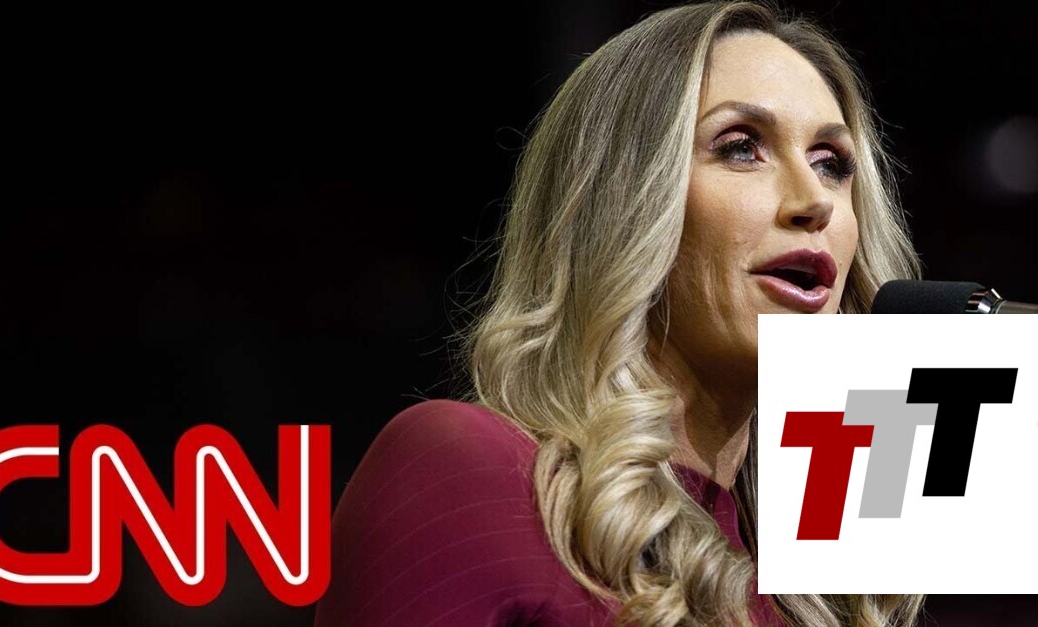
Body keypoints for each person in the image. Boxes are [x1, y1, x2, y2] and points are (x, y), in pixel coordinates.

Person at [314, 1, 928, 625]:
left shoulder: (832, 576)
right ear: (622, 206)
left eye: (832, 164)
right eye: (741, 148)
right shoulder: (468, 470)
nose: (814, 201)